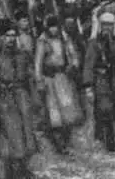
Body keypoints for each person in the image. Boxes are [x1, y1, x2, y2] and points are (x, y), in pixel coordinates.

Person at [0, 19, 38, 179]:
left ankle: (23, 168)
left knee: (26, 134)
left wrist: (35, 99)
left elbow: (30, 78)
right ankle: (12, 171)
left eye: (13, 35)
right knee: (10, 136)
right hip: (3, 101)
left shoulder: (22, 55)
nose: (11, 39)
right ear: (1, 37)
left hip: (22, 98)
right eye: (7, 35)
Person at [34, 14, 83, 155]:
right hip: (50, 79)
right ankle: (59, 144)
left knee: (67, 109)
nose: (53, 29)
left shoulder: (64, 38)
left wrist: (74, 65)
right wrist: (39, 80)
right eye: (51, 27)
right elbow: (38, 62)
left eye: (55, 26)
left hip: (63, 78)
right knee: (54, 112)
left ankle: (67, 141)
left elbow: (73, 54)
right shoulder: (43, 41)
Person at [83, 12, 115, 152]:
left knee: (112, 109)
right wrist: (88, 85)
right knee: (105, 107)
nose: (107, 28)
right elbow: (89, 64)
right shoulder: (93, 43)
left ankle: (101, 135)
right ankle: (109, 142)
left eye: (110, 25)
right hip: (100, 78)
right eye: (104, 25)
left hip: (114, 79)